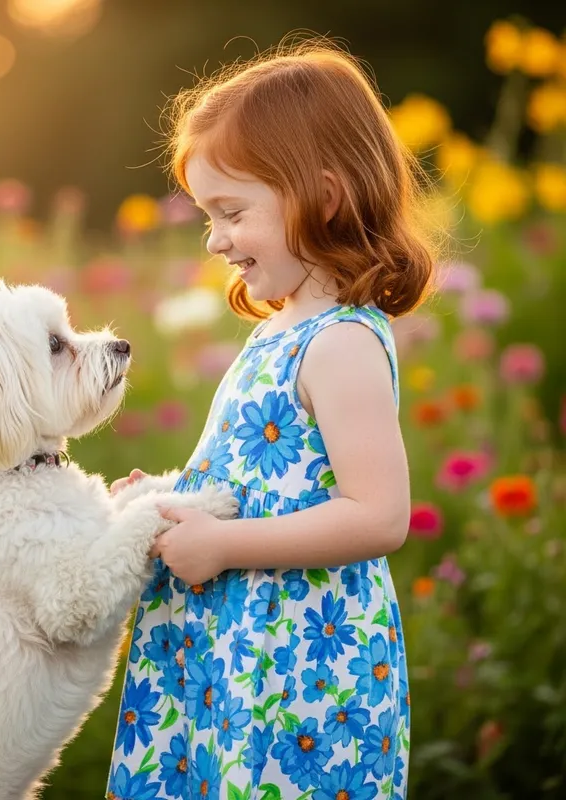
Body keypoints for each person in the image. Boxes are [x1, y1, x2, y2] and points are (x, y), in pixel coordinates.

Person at [106, 38, 438, 800]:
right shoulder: (278, 331)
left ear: (322, 197)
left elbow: (379, 515)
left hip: (300, 679)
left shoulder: (342, 342)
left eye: (232, 211)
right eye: (207, 214)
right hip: (235, 657)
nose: (215, 238)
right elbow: (251, 475)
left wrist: (220, 543)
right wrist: (170, 499)